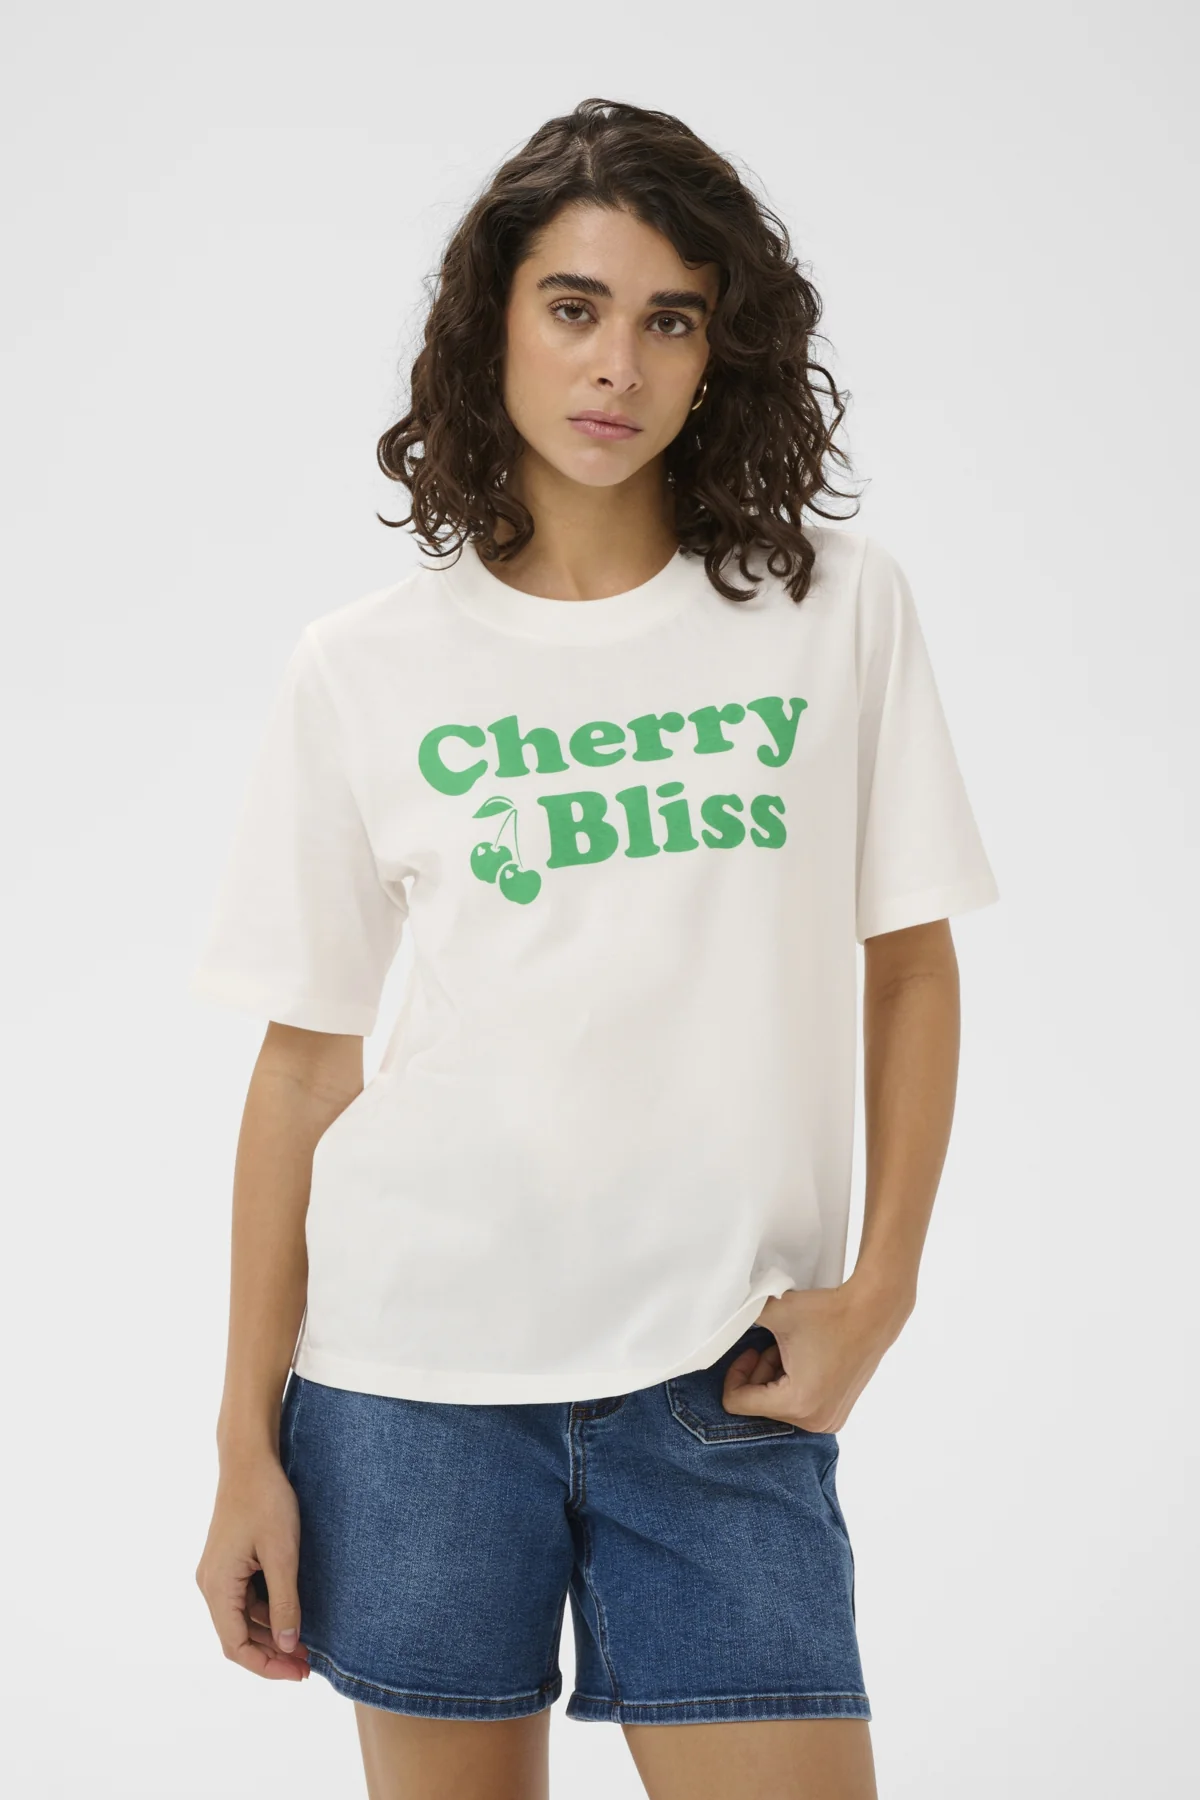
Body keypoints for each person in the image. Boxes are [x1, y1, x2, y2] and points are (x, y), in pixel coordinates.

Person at [192, 96, 999, 1800]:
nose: (617, 364)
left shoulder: (834, 609)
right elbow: (306, 1067)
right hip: (410, 1387)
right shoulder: (362, 668)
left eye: (670, 319)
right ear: (490, 324)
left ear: (723, 353)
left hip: (726, 1379)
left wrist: (885, 1288)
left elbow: (909, 965)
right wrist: (242, 1447)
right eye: (573, 307)